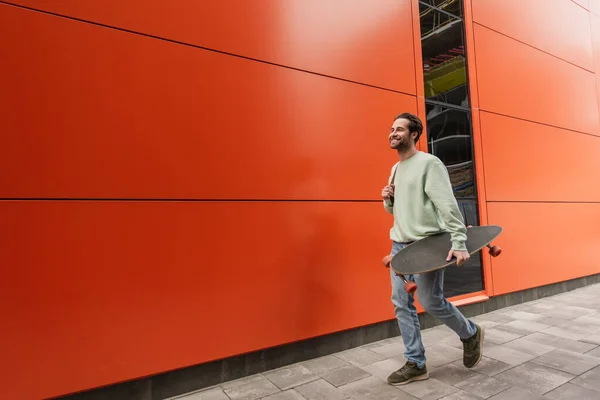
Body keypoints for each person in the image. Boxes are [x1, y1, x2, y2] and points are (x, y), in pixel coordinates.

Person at [381, 112, 484, 386]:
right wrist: (388, 199)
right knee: (401, 303)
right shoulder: (395, 169)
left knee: (430, 301)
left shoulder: (429, 163)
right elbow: (396, 210)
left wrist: (459, 242)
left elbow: (447, 205)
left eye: (400, 129)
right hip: (400, 246)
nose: (393, 133)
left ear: (414, 134)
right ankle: (415, 362)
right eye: (391, 129)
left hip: (427, 244)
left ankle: (470, 333)